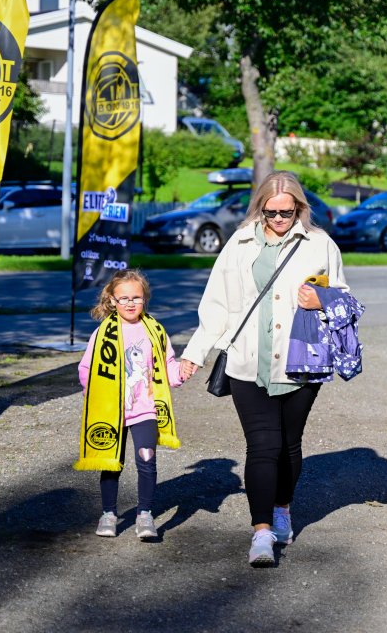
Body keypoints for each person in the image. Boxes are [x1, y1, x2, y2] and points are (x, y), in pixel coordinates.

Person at [180, 171, 347, 567]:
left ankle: (283, 510)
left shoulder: (320, 244)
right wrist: (194, 354)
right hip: (245, 361)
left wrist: (320, 302)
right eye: (270, 212)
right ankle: (261, 533)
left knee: (289, 445)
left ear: (299, 209)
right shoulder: (237, 245)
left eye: (286, 213)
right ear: (259, 208)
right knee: (262, 446)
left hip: (300, 362)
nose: (278, 220)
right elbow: (217, 306)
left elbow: (343, 298)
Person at [75, 269, 182, 540]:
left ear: (145, 298)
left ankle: (144, 514)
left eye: (136, 297)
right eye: (124, 298)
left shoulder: (155, 330)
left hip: (145, 409)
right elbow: (86, 367)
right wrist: (96, 392)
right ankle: (109, 514)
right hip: (110, 410)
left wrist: (181, 372)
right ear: (112, 300)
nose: (130, 303)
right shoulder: (102, 333)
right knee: (112, 463)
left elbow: (167, 365)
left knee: (147, 460)